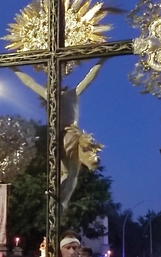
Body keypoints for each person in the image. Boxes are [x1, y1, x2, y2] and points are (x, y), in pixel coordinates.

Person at [12, 62, 104, 207]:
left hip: (56, 139)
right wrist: (102, 60)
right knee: (72, 174)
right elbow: (90, 77)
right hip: (71, 136)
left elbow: (29, 82)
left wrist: (14, 68)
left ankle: (55, 199)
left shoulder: (49, 96)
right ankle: (62, 202)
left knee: (65, 173)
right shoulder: (73, 93)